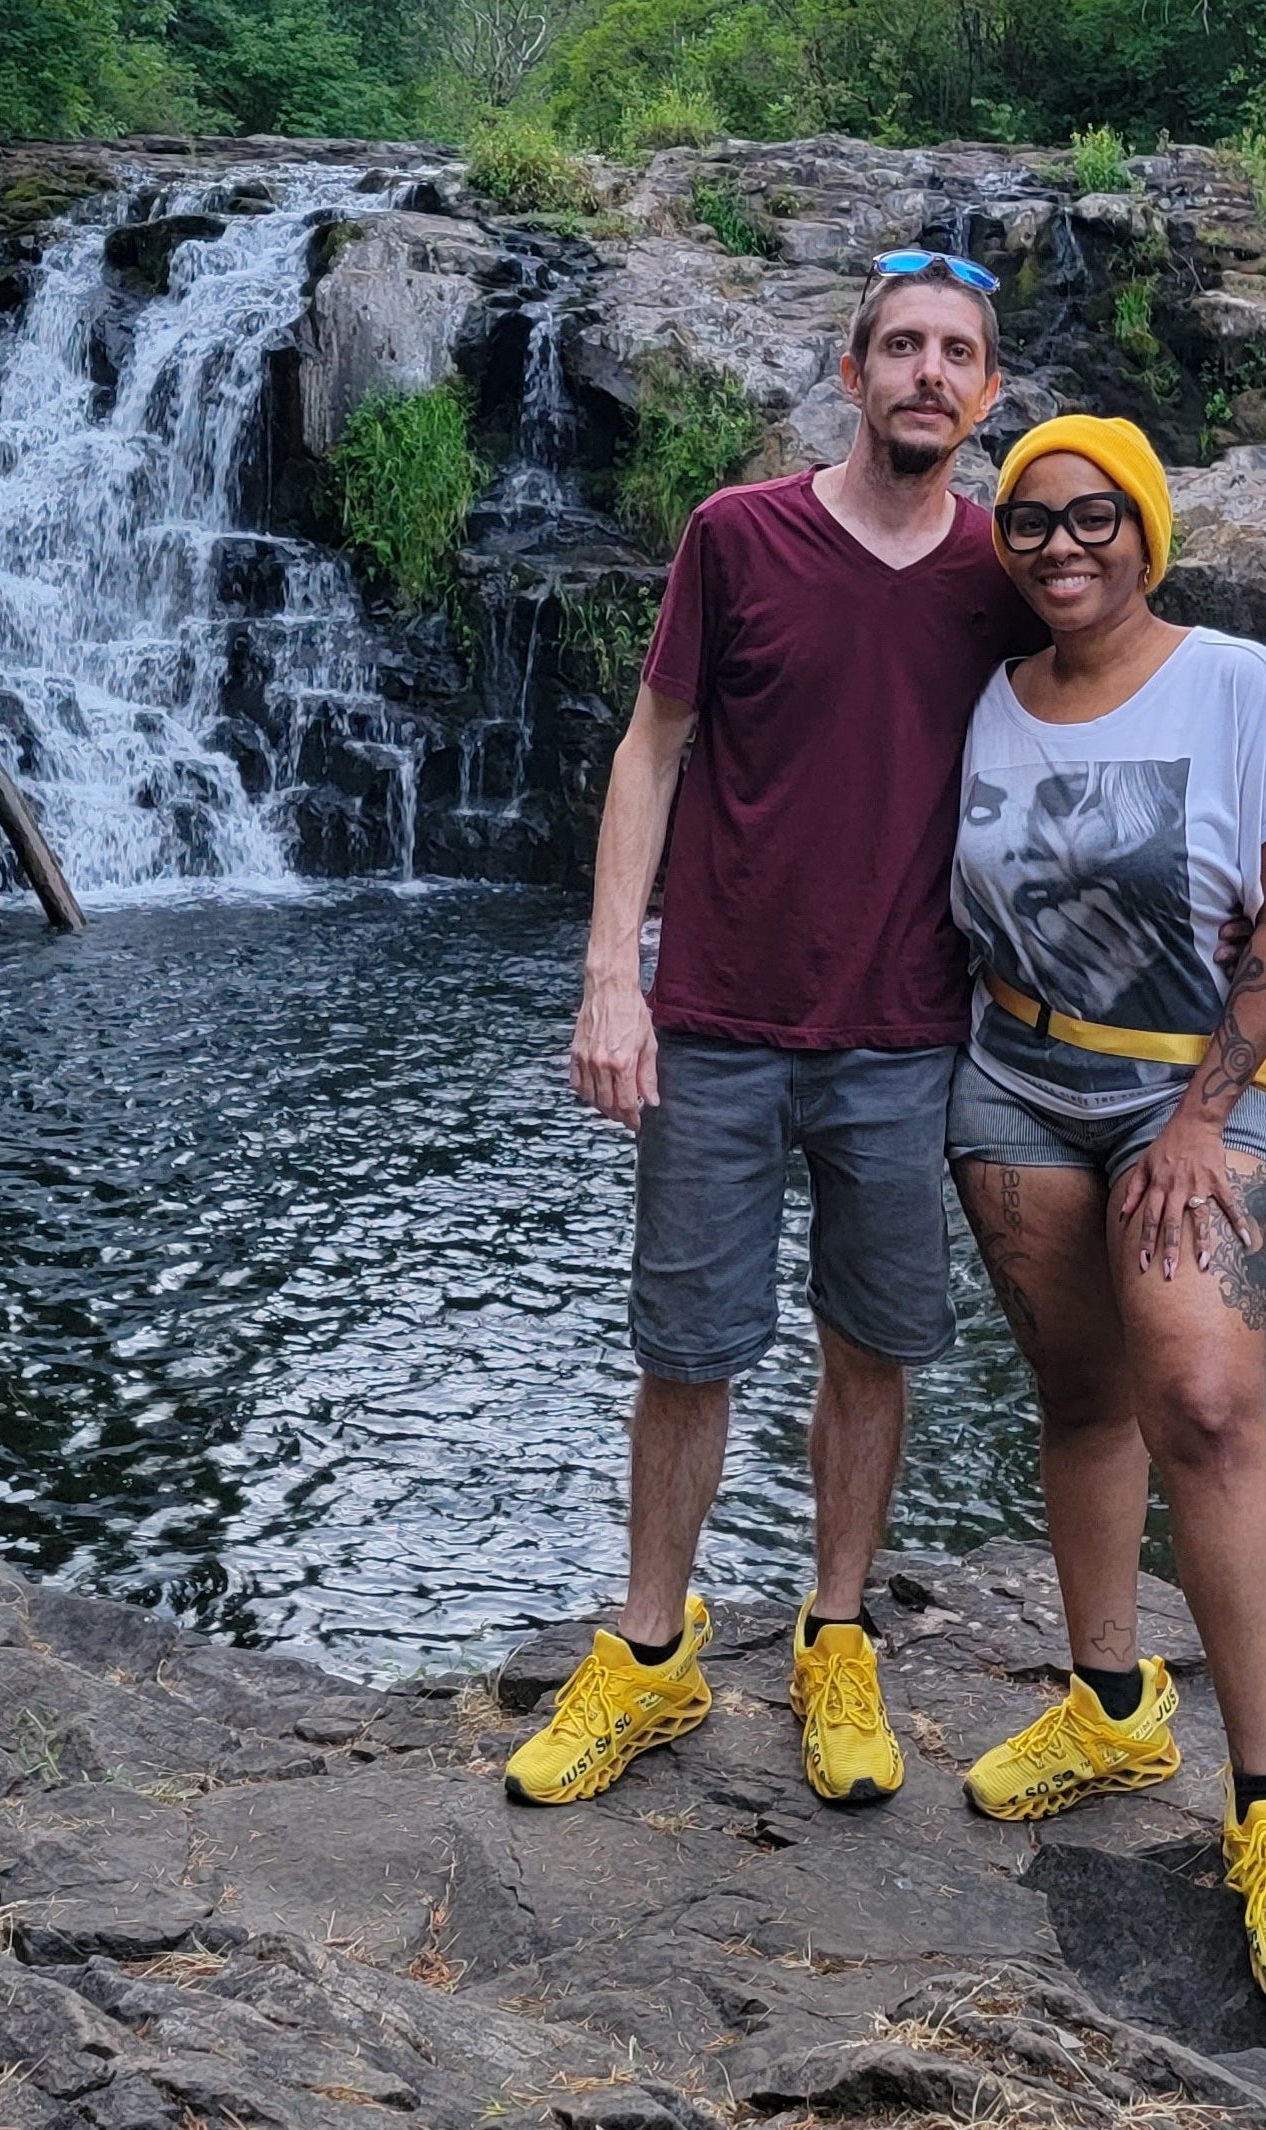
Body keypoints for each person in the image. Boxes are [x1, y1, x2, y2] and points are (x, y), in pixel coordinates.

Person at [503, 251, 1040, 1812]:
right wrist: (613, 977)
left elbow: (1114, 716)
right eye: (901, 346)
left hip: (908, 1033)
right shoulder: (737, 535)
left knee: (872, 1346)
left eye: (956, 353)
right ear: (852, 373)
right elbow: (650, 748)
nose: (928, 372)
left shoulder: (1004, 573)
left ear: (987, 392)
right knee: (686, 1352)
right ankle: (651, 1652)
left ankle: (836, 1636)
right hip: (718, 1022)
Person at [945, 415, 1266, 2007]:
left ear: (1147, 531)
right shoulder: (989, 699)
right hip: (1016, 1083)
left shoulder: (1234, 682)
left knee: (1201, 1400)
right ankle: (1113, 1705)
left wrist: (1198, 1114)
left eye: (1094, 515)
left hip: (1202, 1085)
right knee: (1080, 1396)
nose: (1061, 543)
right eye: (1031, 519)